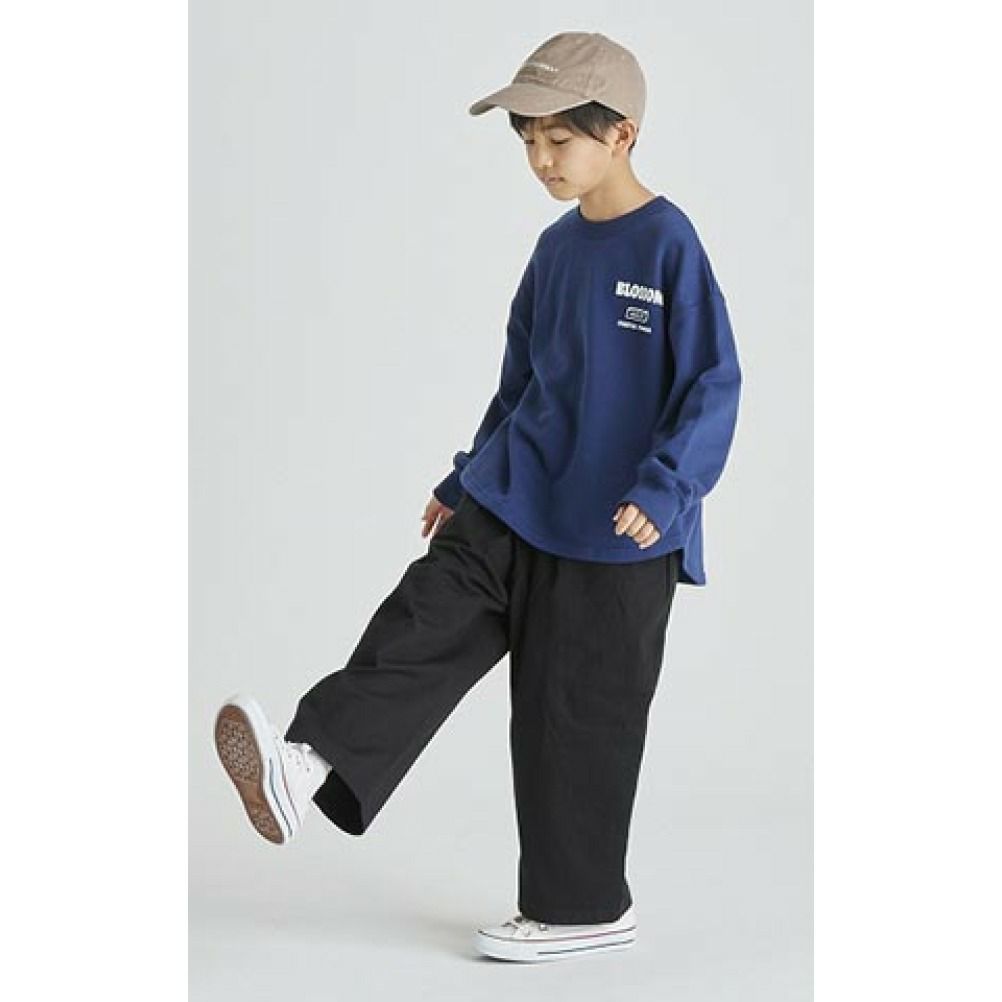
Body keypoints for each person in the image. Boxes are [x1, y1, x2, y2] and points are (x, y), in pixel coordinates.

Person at [213, 30, 742, 964]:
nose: (540, 159)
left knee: (570, 720)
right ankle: (307, 763)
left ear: (620, 133)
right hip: (520, 495)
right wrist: (466, 479)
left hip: (619, 535)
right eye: (528, 140)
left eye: (558, 139)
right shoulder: (554, 251)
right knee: (423, 615)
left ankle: (581, 909)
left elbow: (712, 383)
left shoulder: (670, 244)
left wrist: (666, 489)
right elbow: (523, 384)